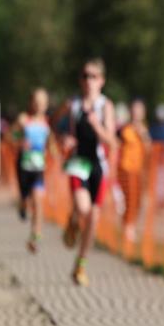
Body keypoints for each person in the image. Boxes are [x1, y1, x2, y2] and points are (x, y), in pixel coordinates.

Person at [50, 59, 117, 286]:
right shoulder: (72, 104)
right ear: (80, 80)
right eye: (85, 76)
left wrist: (97, 126)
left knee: (94, 218)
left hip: (99, 166)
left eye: (94, 76)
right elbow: (52, 123)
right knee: (83, 208)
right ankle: (74, 217)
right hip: (78, 162)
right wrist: (62, 138)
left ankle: (81, 265)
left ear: (102, 81)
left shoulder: (106, 106)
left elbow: (112, 141)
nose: (89, 81)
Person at [15, 88, 51, 253]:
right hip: (23, 166)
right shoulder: (24, 119)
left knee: (38, 201)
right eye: (36, 102)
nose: (39, 105)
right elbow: (9, 135)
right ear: (31, 102)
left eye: (42, 102)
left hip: (38, 167)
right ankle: (22, 205)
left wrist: (52, 152)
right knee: (25, 199)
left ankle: (35, 236)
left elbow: (51, 144)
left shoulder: (46, 122)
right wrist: (20, 141)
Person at [118, 98, 150, 248]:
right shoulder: (125, 129)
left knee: (138, 201)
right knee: (129, 198)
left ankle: (129, 224)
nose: (136, 113)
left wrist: (143, 134)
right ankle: (128, 228)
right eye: (134, 109)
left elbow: (149, 149)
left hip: (139, 170)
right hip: (126, 169)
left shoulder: (144, 130)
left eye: (139, 110)